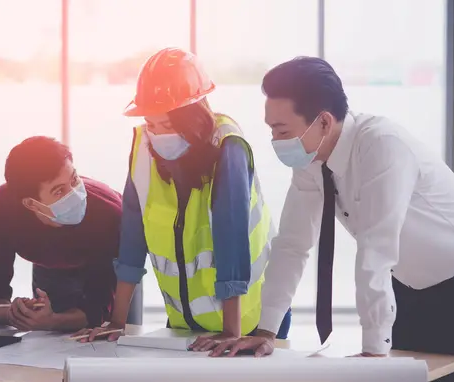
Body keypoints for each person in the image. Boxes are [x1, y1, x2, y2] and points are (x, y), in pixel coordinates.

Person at [214, 57, 454, 382]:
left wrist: (373, 349)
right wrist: (266, 331)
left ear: (323, 121)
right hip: (411, 287)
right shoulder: (311, 161)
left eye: (281, 130)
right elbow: (293, 245)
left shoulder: (382, 146)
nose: (275, 141)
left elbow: (376, 248)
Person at [73, 47, 291, 347]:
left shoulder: (228, 149)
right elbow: (132, 242)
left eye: (168, 124)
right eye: (151, 124)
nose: (158, 134)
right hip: (186, 323)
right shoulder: (143, 154)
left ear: (193, 116)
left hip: (249, 321)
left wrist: (231, 332)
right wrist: (117, 321)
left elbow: (233, 241)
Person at [0, 136, 136, 382]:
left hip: (113, 270)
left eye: (75, 179)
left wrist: (53, 321)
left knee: (116, 372)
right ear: (30, 204)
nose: (75, 193)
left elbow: (101, 311)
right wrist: (16, 313)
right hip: (50, 270)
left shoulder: (110, 214)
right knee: (52, 378)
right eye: (59, 191)